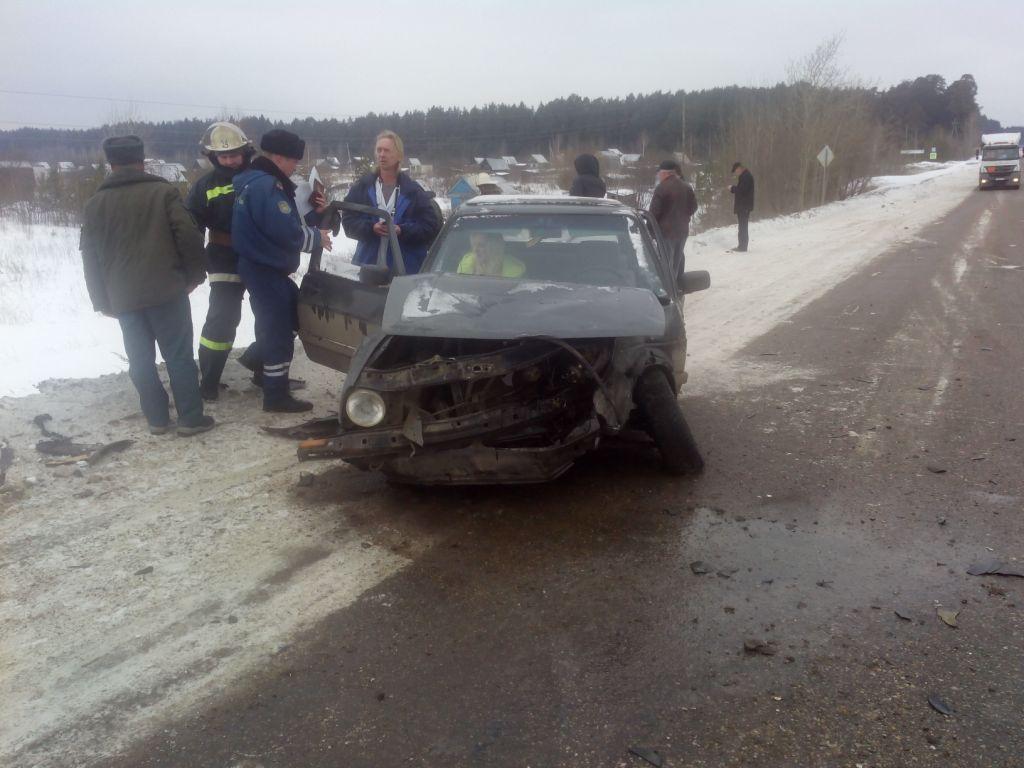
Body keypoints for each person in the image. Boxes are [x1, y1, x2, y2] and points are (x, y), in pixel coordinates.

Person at [80, 136, 215, 436]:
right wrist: (194, 277)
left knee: (140, 359)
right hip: (167, 290)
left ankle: (156, 419)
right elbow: (189, 237)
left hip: (124, 298)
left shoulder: (94, 204)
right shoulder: (163, 193)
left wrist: (102, 301)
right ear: (141, 162)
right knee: (178, 356)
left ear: (111, 165)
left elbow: (89, 258)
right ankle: (191, 419)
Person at [232, 129, 331, 413]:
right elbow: (285, 230)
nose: (294, 167)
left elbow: (283, 219)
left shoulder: (253, 181)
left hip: (262, 267)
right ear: (278, 157)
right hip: (266, 270)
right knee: (277, 330)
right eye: (292, 161)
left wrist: (312, 214)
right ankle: (275, 394)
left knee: (290, 314)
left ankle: (256, 361)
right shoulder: (267, 187)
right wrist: (316, 237)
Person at [186, 122, 260, 401]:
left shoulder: (258, 177)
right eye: (223, 156)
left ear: (245, 152)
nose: (229, 161)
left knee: (272, 314)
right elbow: (190, 226)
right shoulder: (204, 186)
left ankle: (264, 368)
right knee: (222, 319)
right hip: (223, 258)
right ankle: (209, 380)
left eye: (234, 155)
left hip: (259, 256)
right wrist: (194, 263)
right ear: (213, 157)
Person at [342, 130, 441, 274]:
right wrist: (371, 228)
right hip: (368, 273)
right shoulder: (362, 188)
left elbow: (429, 226)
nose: (382, 154)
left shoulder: (414, 192)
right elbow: (348, 221)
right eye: (379, 150)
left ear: (399, 155)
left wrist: (402, 230)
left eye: (387, 150)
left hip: (406, 273)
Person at [649, 160, 698, 280]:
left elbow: (654, 213)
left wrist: (649, 230)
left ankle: (668, 290)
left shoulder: (662, 188)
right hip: (682, 231)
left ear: (665, 173)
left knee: (666, 263)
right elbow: (694, 207)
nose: (659, 176)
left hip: (665, 232)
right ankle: (676, 286)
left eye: (659, 173)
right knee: (677, 260)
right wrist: (684, 217)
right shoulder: (686, 187)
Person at [457, 232, 525, 277]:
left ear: (495, 247)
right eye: (473, 245)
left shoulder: (515, 269)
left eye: (481, 245)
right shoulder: (465, 264)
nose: (475, 250)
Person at [729, 162, 755, 252]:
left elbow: (742, 191)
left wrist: (732, 188)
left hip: (744, 206)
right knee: (742, 226)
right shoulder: (745, 176)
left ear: (739, 168)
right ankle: (742, 245)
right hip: (744, 206)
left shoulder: (746, 177)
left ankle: (742, 247)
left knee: (743, 226)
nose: (736, 173)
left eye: (735, 171)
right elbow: (742, 190)